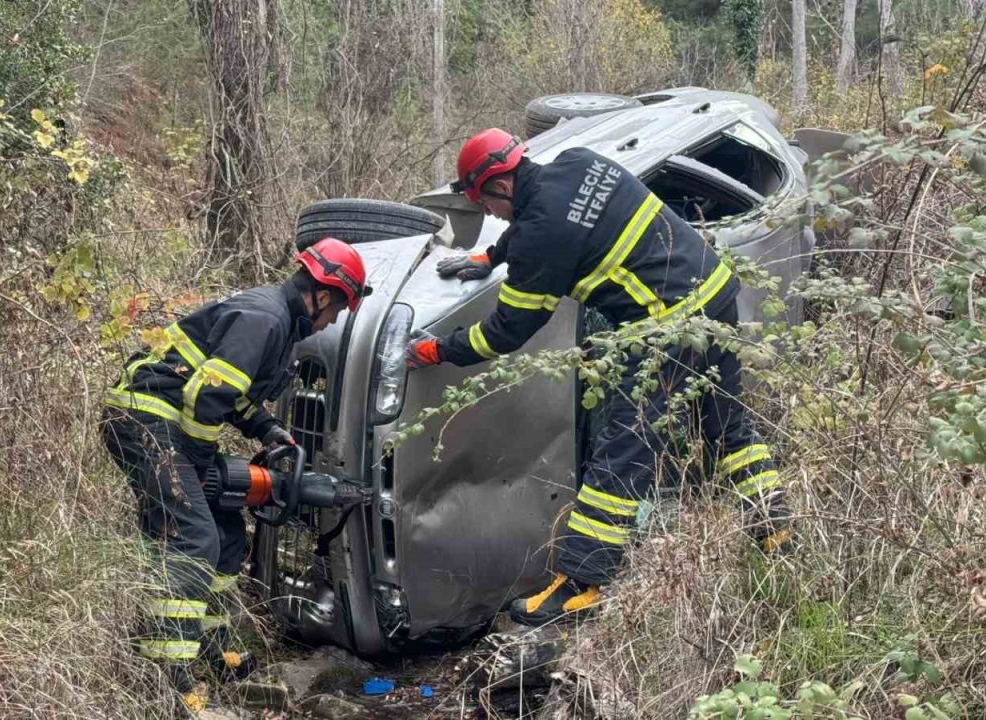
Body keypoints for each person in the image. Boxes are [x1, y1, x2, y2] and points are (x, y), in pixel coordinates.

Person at [406, 129, 791, 627]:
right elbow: (547, 217)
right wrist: (492, 256)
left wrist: (439, 349)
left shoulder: (541, 236)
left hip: (667, 328)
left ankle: (582, 585)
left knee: (624, 449)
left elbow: (504, 333)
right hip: (714, 293)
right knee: (726, 426)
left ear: (500, 185)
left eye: (487, 204)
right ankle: (775, 526)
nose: (493, 214)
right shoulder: (578, 162)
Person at [102, 238, 369, 708]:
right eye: (337, 311)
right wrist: (201, 462)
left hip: (170, 420)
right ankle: (163, 677)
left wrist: (268, 429)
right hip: (144, 416)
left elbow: (232, 393)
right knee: (193, 538)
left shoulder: (279, 323)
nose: (331, 321)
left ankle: (213, 648)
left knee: (226, 534)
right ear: (323, 296)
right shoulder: (265, 319)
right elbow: (206, 397)